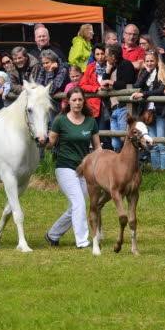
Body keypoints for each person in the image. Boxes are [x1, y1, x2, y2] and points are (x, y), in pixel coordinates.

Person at [45, 87, 101, 249]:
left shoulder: (91, 121)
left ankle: (52, 235)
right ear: (68, 102)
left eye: (80, 100)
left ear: (84, 102)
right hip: (64, 167)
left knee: (76, 207)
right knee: (78, 203)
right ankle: (82, 242)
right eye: (74, 100)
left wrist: (103, 163)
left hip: (84, 170)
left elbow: (97, 147)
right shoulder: (60, 121)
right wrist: (42, 143)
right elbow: (51, 143)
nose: (77, 103)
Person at [133, 50, 165, 171]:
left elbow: (161, 90)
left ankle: (164, 171)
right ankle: (156, 170)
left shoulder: (163, 72)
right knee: (152, 143)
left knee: (162, 144)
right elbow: (137, 85)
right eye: (147, 61)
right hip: (147, 112)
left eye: (152, 61)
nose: (149, 63)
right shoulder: (145, 72)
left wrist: (144, 94)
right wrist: (146, 72)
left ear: (156, 61)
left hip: (160, 111)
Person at [101, 43, 136, 152]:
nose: (104, 58)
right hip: (113, 108)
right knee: (115, 143)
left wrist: (109, 82)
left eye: (106, 55)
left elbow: (127, 84)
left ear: (113, 56)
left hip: (123, 107)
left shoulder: (126, 64)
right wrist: (107, 71)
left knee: (125, 139)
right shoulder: (111, 67)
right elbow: (103, 82)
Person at [79, 43, 109, 148]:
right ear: (94, 55)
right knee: (96, 131)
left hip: (108, 104)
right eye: (97, 54)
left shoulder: (111, 65)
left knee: (106, 131)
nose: (100, 57)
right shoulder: (90, 67)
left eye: (102, 53)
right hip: (93, 105)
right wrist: (96, 88)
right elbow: (82, 85)